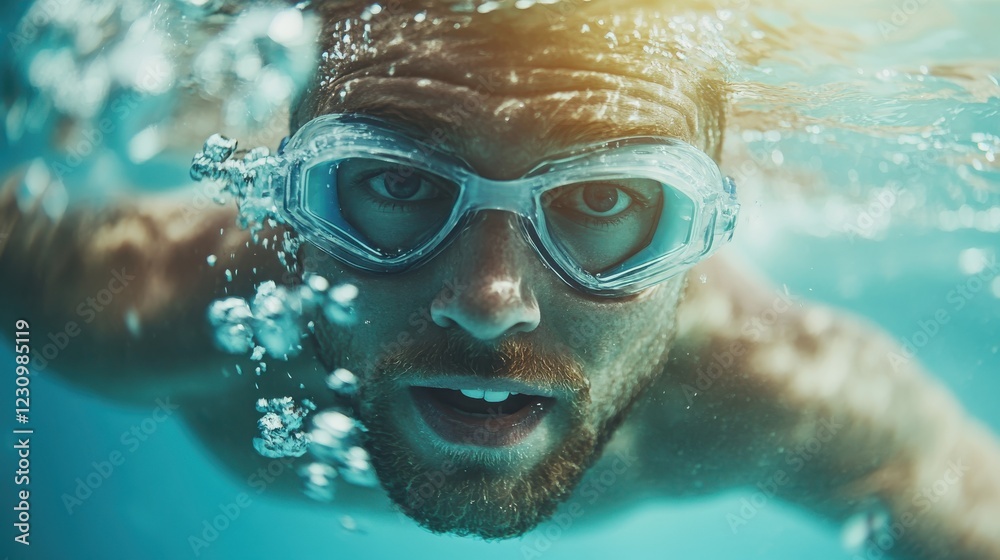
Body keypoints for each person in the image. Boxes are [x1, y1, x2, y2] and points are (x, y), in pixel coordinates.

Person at [2, 0, 999, 557]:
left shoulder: (785, 391)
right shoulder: (129, 299)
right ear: (282, 189)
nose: (488, 300)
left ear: (706, 222)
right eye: (391, 182)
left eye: (607, 200)